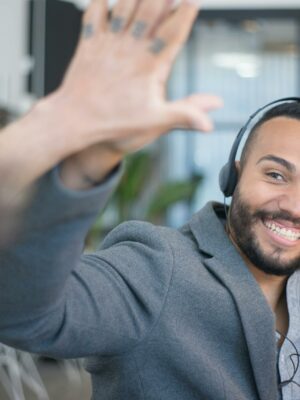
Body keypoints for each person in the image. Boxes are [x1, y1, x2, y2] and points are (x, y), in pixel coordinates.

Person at [0, 0, 298, 399]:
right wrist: (73, 151)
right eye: (276, 175)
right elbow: (24, 312)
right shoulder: (158, 268)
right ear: (235, 174)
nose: (293, 205)